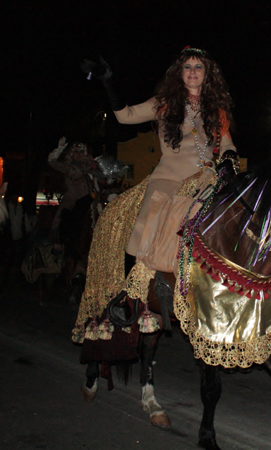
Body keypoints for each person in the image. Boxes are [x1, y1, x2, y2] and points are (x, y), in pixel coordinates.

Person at [73, 47, 238, 345]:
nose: (192, 71)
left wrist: (228, 159)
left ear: (207, 74)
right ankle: (130, 294)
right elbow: (125, 116)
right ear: (179, 72)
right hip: (167, 180)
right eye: (187, 66)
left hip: (204, 180)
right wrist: (108, 81)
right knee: (145, 228)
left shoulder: (216, 110)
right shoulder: (164, 103)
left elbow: (227, 142)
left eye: (198, 67)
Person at [47, 138, 97, 236]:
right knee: (62, 215)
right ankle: (57, 242)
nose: (79, 154)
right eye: (76, 152)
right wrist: (59, 149)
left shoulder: (90, 166)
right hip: (73, 199)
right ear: (72, 154)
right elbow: (52, 162)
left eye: (81, 152)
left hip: (89, 200)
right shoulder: (68, 167)